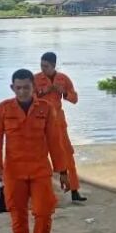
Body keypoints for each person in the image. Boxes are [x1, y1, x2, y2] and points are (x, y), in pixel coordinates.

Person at [0, 69, 70, 233]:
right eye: (18, 88)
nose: (23, 92)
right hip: (14, 172)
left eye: (26, 87)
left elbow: (55, 142)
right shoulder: (2, 109)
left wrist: (63, 171)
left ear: (33, 87)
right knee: (18, 216)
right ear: (12, 87)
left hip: (40, 170)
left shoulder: (46, 108)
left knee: (44, 213)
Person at [34, 51, 86, 202]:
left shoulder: (63, 79)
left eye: (46, 66)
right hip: (41, 122)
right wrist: (44, 92)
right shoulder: (36, 79)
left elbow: (74, 98)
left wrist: (64, 92)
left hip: (59, 123)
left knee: (67, 156)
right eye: (41, 65)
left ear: (53, 65)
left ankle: (75, 191)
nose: (43, 69)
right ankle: (42, 193)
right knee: (40, 158)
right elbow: (30, 98)